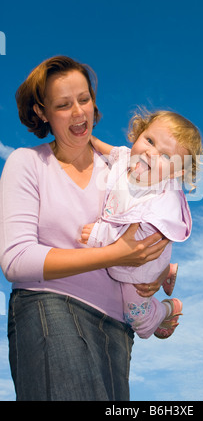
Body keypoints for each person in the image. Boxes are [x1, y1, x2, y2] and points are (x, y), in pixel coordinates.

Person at [0, 56, 170, 401]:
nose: (79, 113)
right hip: (49, 307)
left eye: (84, 99)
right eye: (63, 105)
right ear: (42, 112)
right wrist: (115, 254)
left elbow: (152, 228)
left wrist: (158, 272)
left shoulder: (123, 171)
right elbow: (15, 259)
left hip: (117, 328)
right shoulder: (27, 163)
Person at [80, 109, 203, 339]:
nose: (150, 153)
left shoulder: (159, 202)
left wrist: (100, 235)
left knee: (137, 319)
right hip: (133, 255)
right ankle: (169, 270)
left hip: (143, 265)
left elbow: (137, 239)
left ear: (177, 172)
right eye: (149, 140)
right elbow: (113, 152)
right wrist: (90, 140)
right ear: (139, 133)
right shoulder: (128, 160)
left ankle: (168, 308)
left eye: (166, 156)